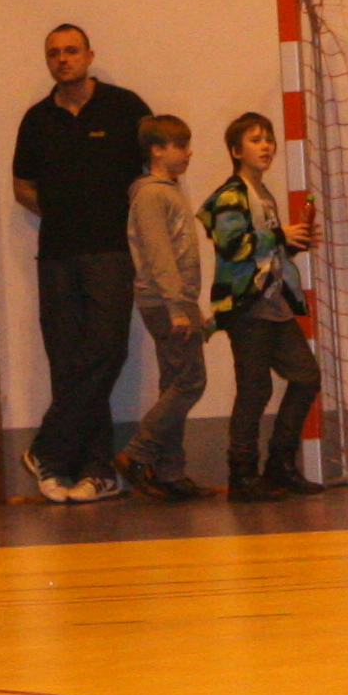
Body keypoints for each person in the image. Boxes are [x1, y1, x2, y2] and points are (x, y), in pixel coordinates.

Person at [10, 23, 147, 503]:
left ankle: (48, 448)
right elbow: (22, 186)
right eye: (53, 53)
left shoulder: (125, 108)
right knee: (69, 363)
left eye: (71, 51)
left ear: (90, 55)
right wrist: (63, 212)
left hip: (111, 253)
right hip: (56, 257)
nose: (62, 59)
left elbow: (151, 175)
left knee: (106, 352)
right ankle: (92, 472)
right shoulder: (36, 119)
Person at [203, 110, 321, 501]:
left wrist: (293, 241)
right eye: (255, 140)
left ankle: (279, 466)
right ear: (236, 151)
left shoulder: (263, 194)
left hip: (272, 304)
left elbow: (265, 251)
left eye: (269, 138)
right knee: (254, 390)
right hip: (247, 308)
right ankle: (242, 475)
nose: (266, 146)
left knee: (305, 376)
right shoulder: (231, 196)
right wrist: (279, 235)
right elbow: (232, 246)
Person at [118, 112, 213, 501]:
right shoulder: (152, 195)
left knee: (174, 382)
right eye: (181, 145)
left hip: (175, 300)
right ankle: (137, 453)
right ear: (157, 150)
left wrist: (189, 305)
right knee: (190, 381)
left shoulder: (167, 191)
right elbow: (159, 255)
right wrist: (176, 307)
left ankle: (170, 472)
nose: (189, 153)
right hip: (165, 302)